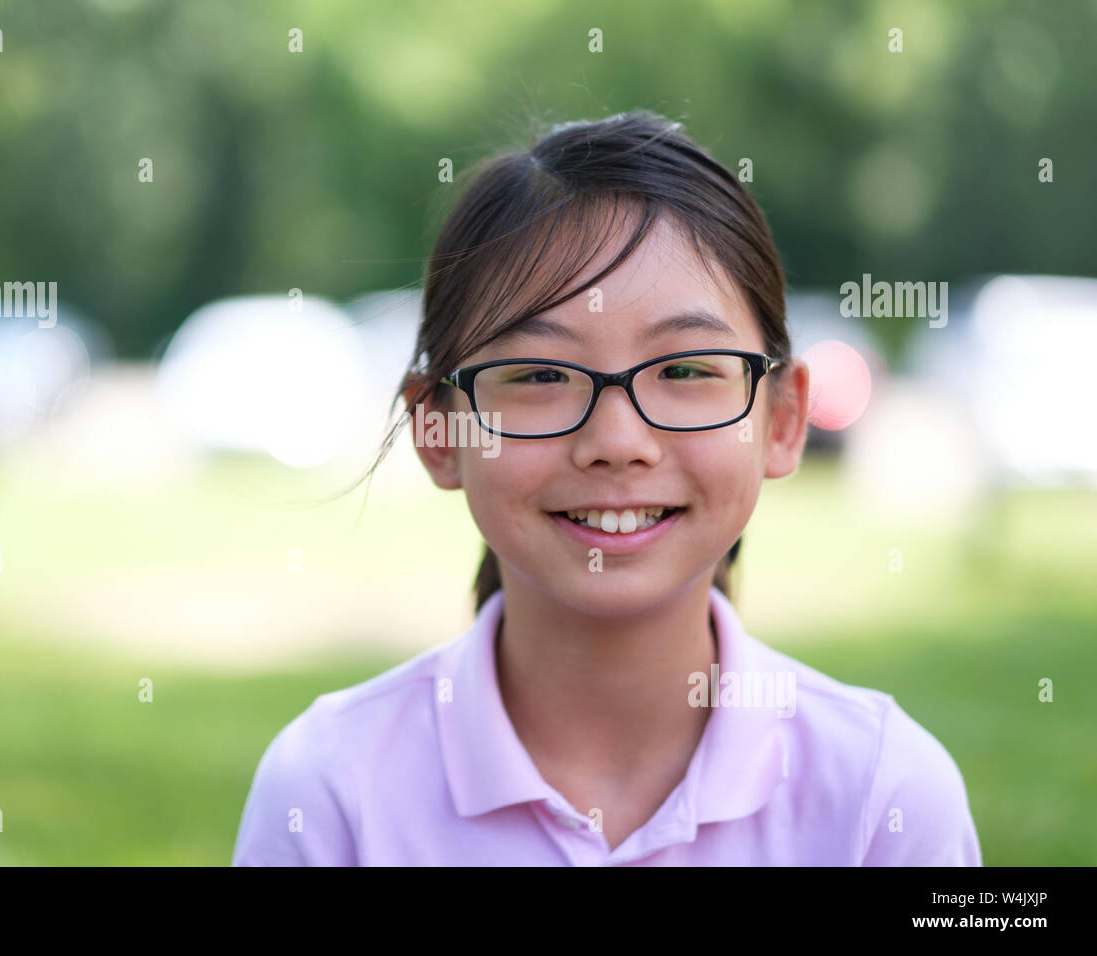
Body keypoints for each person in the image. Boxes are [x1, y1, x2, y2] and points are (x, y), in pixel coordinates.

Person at [232, 110, 981, 866]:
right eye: (540, 376)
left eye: (686, 370)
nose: (617, 444)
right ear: (437, 429)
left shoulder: (883, 796)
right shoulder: (330, 789)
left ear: (782, 419)